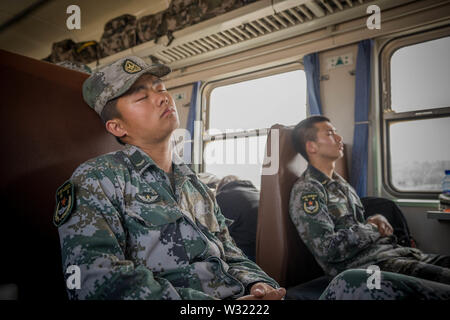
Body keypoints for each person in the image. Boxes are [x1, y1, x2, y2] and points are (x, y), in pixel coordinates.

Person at [53, 56, 285, 300]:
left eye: (161, 88)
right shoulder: (97, 179)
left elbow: (231, 253)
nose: (163, 97)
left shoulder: (196, 185)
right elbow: (94, 283)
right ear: (117, 127)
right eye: (142, 97)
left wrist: (259, 285)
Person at [288, 115, 450, 292]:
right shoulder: (308, 190)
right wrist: (372, 228)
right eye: (330, 134)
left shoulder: (340, 183)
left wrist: (375, 219)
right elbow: (327, 249)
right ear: (311, 146)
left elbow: (355, 224)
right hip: (366, 268)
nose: (339, 138)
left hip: (391, 254)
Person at [215, 175, 259, 262]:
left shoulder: (223, 197)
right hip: (263, 251)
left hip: (245, 255)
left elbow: (216, 232)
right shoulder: (257, 193)